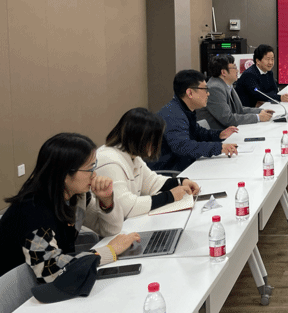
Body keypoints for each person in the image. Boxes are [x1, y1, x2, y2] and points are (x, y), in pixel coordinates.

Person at [0, 133, 140, 300]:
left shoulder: (74, 196)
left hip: (46, 290)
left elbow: (111, 229)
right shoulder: (33, 211)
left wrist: (106, 200)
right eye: (90, 168)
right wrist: (109, 251)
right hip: (18, 301)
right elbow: (50, 271)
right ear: (65, 174)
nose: (94, 174)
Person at [97, 108, 201, 218]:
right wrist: (170, 196)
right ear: (138, 138)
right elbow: (126, 207)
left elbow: (151, 182)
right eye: (153, 139)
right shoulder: (109, 160)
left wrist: (180, 182)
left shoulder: (132, 155)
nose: (156, 144)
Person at [149, 69, 239, 173]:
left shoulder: (183, 109)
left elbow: (197, 132)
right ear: (190, 93)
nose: (208, 94)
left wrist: (219, 135)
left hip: (185, 165)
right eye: (205, 89)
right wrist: (219, 147)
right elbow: (183, 147)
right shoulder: (173, 114)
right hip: (171, 172)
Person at [198, 55, 274, 129]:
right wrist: (258, 117)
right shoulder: (215, 88)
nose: (237, 71)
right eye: (234, 67)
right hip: (218, 133)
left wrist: (260, 111)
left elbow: (239, 109)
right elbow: (228, 119)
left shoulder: (227, 84)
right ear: (223, 72)